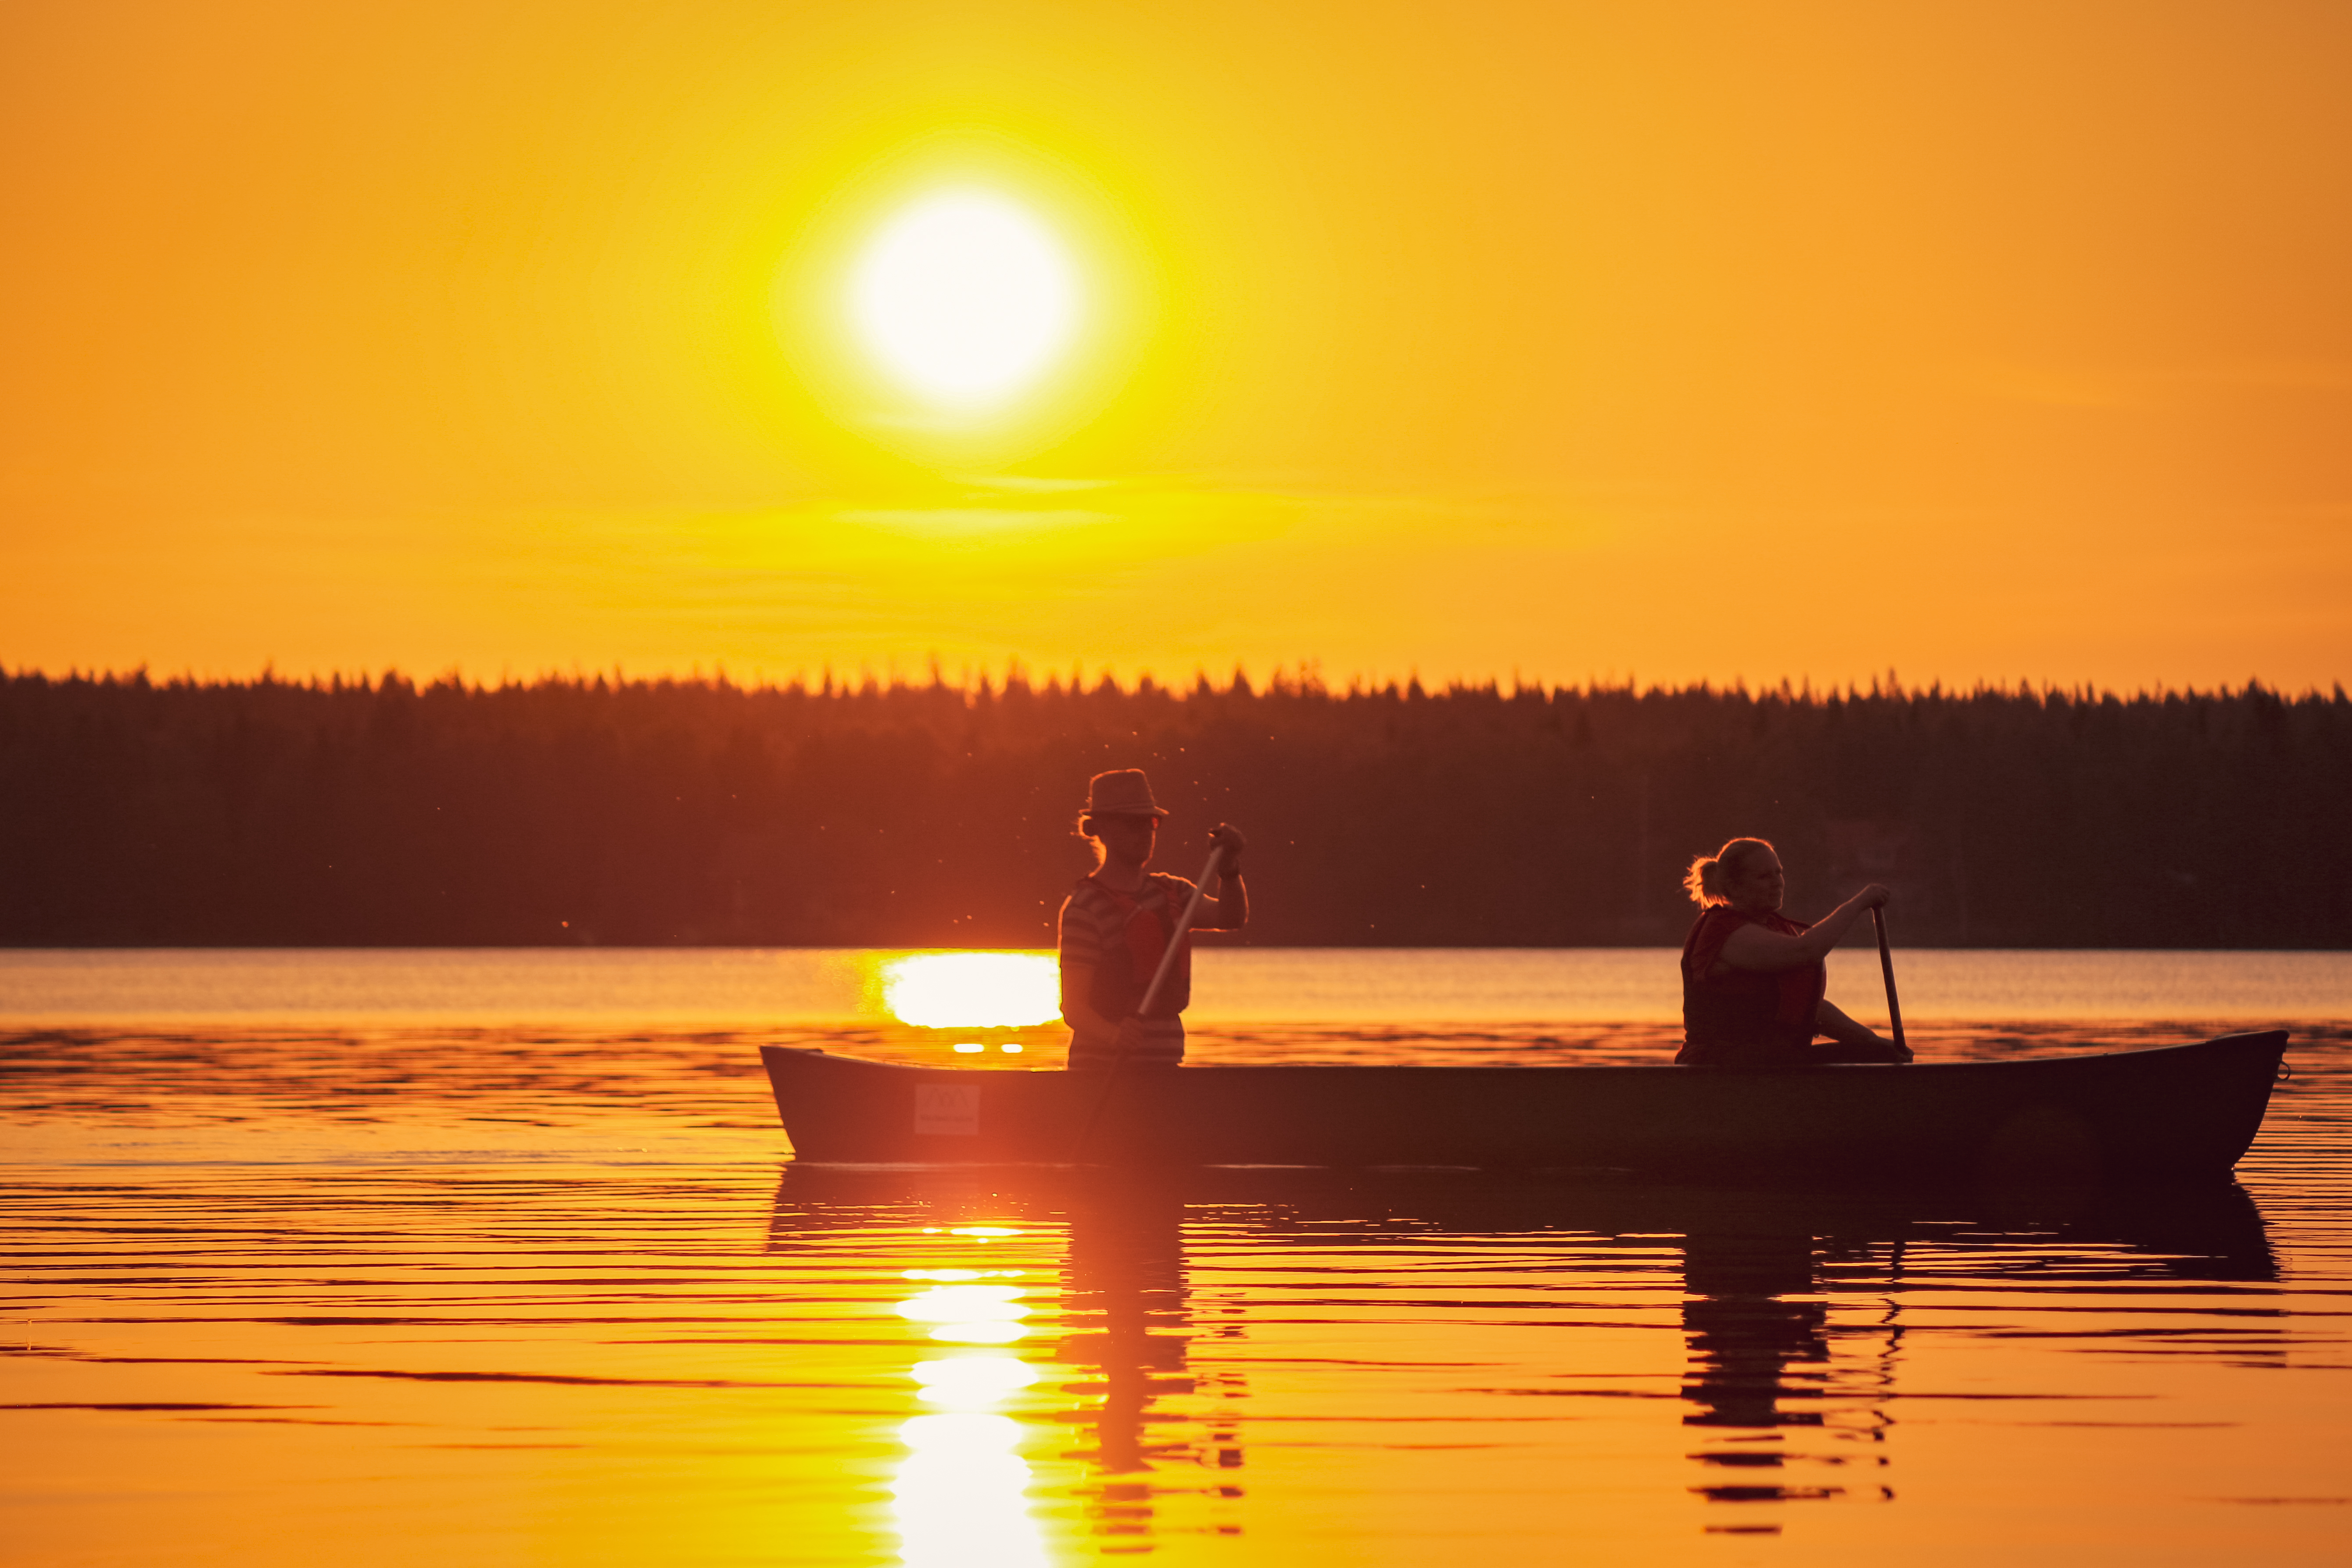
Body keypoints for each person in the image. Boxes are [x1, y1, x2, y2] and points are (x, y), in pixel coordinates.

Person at [1058, 768, 1248, 1069]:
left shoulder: (1174, 892)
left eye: (1151, 823)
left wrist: (1229, 869)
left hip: (1165, 1071)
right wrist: (1114, 1036)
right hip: (1103, 1071)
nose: (1146, 832)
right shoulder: (1084, 908)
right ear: (1103, 830)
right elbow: (1075, 1009)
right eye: (1134, 823)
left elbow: (1230, 916)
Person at [1676, 837, 1911, 1066]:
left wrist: (1877, 1043)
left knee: (1876, 1052)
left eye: (1778, 873)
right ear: (1734, 887)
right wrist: (1859, 903)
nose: (1777, 882)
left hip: (1774, 1061)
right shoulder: (1724, 932)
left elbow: (1813, 1008)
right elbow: (1807, 951)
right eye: (1764, 876)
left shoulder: (1778, 929)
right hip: (1719, 1065)